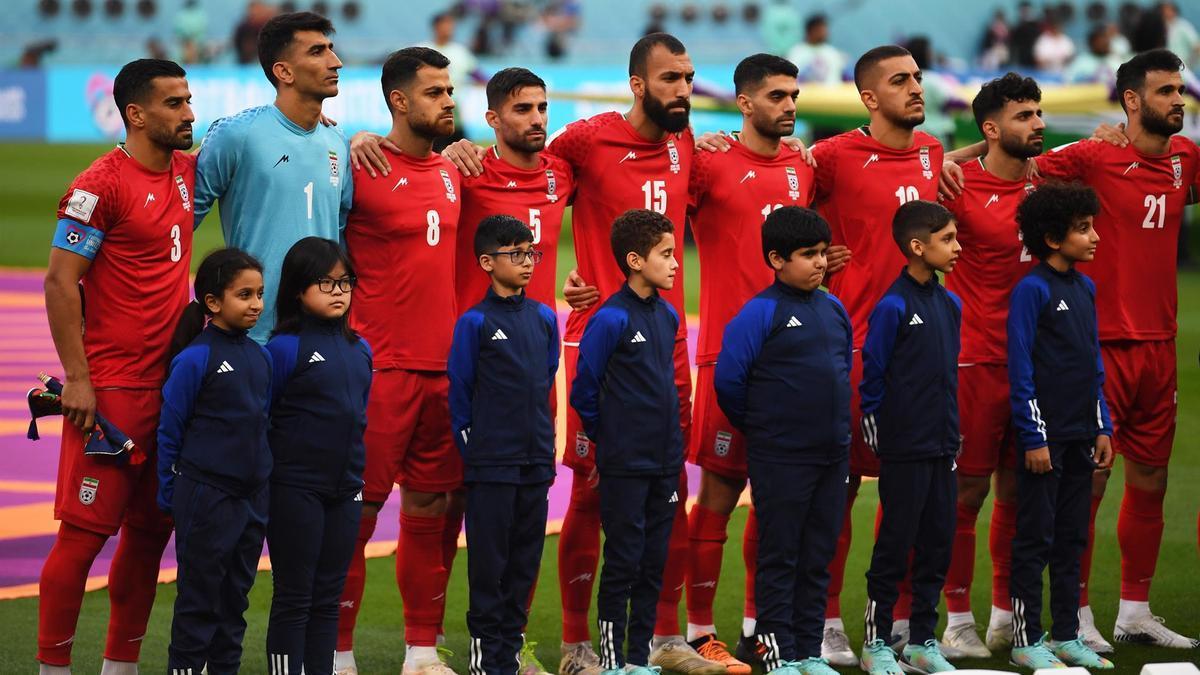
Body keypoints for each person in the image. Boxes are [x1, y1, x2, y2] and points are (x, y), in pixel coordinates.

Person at [945, 48, 1200, 651]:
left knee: (1152, 477)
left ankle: (1133, 611)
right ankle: (1072, 612)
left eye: (1179, 89)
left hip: (1159, 342)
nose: (1179, 100)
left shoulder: (1187, 158)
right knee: (1076, 483)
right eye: (1165, 91)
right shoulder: (1089, 156)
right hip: (1094, 345)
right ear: (1133, 100)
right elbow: (1006, 156)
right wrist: (949, 159)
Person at [38, 58, 195, 675]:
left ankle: (120, 666)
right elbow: (59, 281)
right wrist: (78, 377)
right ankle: (53, 669)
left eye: (188, 100)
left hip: (171, 388)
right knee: (83, 536)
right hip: (112, 391)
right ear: (136, 114)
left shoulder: (187, 168)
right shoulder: (98, 184)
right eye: (174, 103)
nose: (188, 112)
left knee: (152, 532)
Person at [808, 44, 943, 665]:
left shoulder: (934, 152)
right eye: (900, 81)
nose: (916, 87)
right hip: (851, 348)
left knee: (912, 498)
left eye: (917, 77)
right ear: (869, 97)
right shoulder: (831, 157)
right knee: (835, 493)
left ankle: (900, 625)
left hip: (921, 356)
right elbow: (774, 204)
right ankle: (828, 621)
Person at [683, 53, 815, 674]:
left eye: (793, 94)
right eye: (776, 96)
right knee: (717, 492)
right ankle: (698, 631)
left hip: (795, 364)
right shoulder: (707, 162)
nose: (788, 105)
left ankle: (762, 630)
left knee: (780, 501)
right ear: (743, 104)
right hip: (727, 359)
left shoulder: (804, 164)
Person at [337, 46, 464, 675]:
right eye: (436, 92)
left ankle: (420, 651)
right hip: (378, 369)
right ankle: (336, 652)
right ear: (399, 101)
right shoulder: (357, 164)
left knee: (430, 513)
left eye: (449, 91)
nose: (449, 101)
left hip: (443, 370)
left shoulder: (452, 169)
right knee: (356, 513)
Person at [713, 206, 852, 675]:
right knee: (781, 554)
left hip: (832, 454)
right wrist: (769, 428)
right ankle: (778, 651)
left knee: (818, 554)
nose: (818, 263)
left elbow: (841, 370)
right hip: (781, 456)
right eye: (807, 255)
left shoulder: (833, 308)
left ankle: (809, 650)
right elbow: (730, 382)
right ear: (776, 259)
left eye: (821, 253)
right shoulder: (761, 313)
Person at [936, 72, 1043, 657]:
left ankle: (1006, 617)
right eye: (1024, 115)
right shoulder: (955, 184)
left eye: (1038, 113)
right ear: (992, 128)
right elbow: (905, 175)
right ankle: (956, 621)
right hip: (975, 360)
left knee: (1022, 494)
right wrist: (967, 150)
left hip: (1037, 366)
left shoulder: (1051, 181)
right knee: (966, 495)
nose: (1038, 124)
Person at [1006, 182, 1115, 670]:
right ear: (1053, 238)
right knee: (1035, 538)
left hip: (1080, 438)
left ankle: (1068, 634)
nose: (1094, 238)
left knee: (1073, 537)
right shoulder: (1031, 290)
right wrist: (1034, 437)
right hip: (1043, 442)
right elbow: (1021, 366)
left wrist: (1103, 426)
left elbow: (1091, 363)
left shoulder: (1086, 287)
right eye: (1083, 229)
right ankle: (1025, 640)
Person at [569, 209, 684, 675]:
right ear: (636, 260)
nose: (676, 263)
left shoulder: (668, 314)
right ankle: (615, 662)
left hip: (664, 462)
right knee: (623, 562)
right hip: (625, 463)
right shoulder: (611, 318)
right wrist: (610, 439)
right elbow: (584, 389)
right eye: (667, 254)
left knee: (654, 564)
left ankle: (639, 659)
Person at [194, 11, 353, 343]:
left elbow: (341, 234)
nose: (335, 62)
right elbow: (178, 221)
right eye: (317, 51)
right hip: (255, 335)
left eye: (331, 48)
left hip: (321, 334)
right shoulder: (238, 135)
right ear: (284, 71)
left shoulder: (338, 142)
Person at [448, 215, 560, 675]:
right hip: (492, 463)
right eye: (515, 254)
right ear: (487, 262)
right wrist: (478, 450)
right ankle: (485, 658)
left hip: (535, 461)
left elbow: (547, 376)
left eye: (530, 252)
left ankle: (510, 654)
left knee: (524, 560)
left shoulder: (544, 318)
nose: (527, 261)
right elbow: (461, 392)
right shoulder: (474, 323)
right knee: (489, 563)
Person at [157, 248, 272, 674]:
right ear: (212, 302)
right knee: (198, 603)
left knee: (234, 603)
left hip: (250, 499)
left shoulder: (261, 357)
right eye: (244, 294)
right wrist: (172, 493)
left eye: (259, 294)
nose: (256, 304)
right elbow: (171, 429)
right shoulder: (194, 359)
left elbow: (262, 424)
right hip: (206, 495)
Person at [858, 200, 961, 675]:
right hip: (904, 447)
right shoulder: (893, 306)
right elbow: (872, 378)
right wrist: (884, 434)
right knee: (894, 546)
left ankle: (922, 640)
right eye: (947, 240)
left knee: (938, 543)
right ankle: (876, 642)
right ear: (918, 247)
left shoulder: (949, 303)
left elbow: (946, 377)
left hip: (943, 444)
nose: (957, 248)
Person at [264, 238, 373, 675]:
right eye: (325, 283)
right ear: (297, 289)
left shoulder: (359, 348)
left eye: (345, 282)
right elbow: (264, 420)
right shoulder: (284, 349)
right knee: (294, 595)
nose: (339, 291)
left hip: (345, 488)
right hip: (295, 489)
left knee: (329, 597)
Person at [453, 68, 575, 314]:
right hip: (482, 338)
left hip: (541, 337)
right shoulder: (467, 173)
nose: (537, 120)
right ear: (493, 119)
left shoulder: (562, 174)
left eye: (542, 108)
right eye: (523, 109)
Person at [787, 14, 847, 85]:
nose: (825, 33)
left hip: (830, 95)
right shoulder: (796, 52)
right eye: (820, 30)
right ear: (811, 31)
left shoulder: (832, 53)